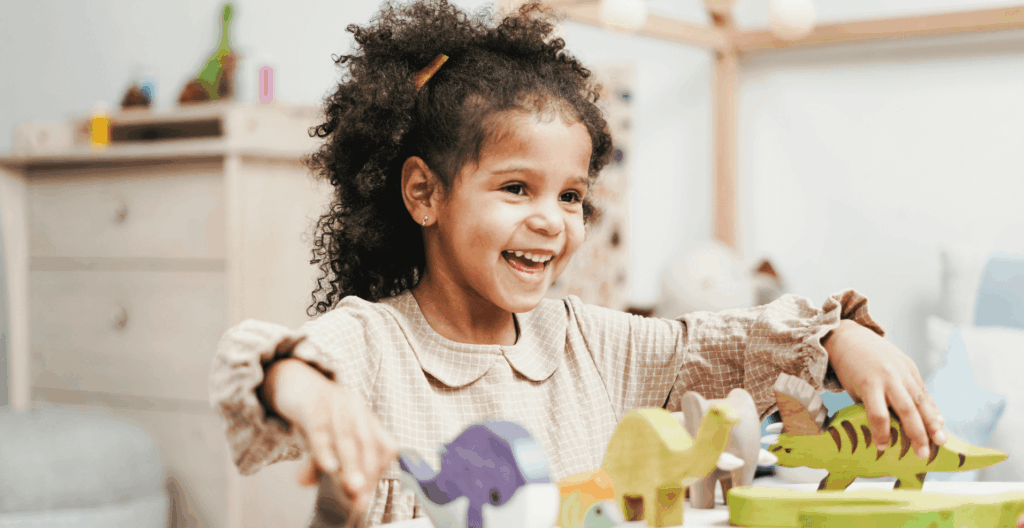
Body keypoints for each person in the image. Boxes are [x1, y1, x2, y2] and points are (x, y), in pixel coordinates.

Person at [207, 0, 946, 526]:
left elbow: (729, 343)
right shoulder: (372, 343)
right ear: (424, 193)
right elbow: (249, 362)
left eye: (570, 196)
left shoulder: (593, 343)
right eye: (515, 188)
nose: (550, 220)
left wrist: (841, 338)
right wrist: (306, 390)